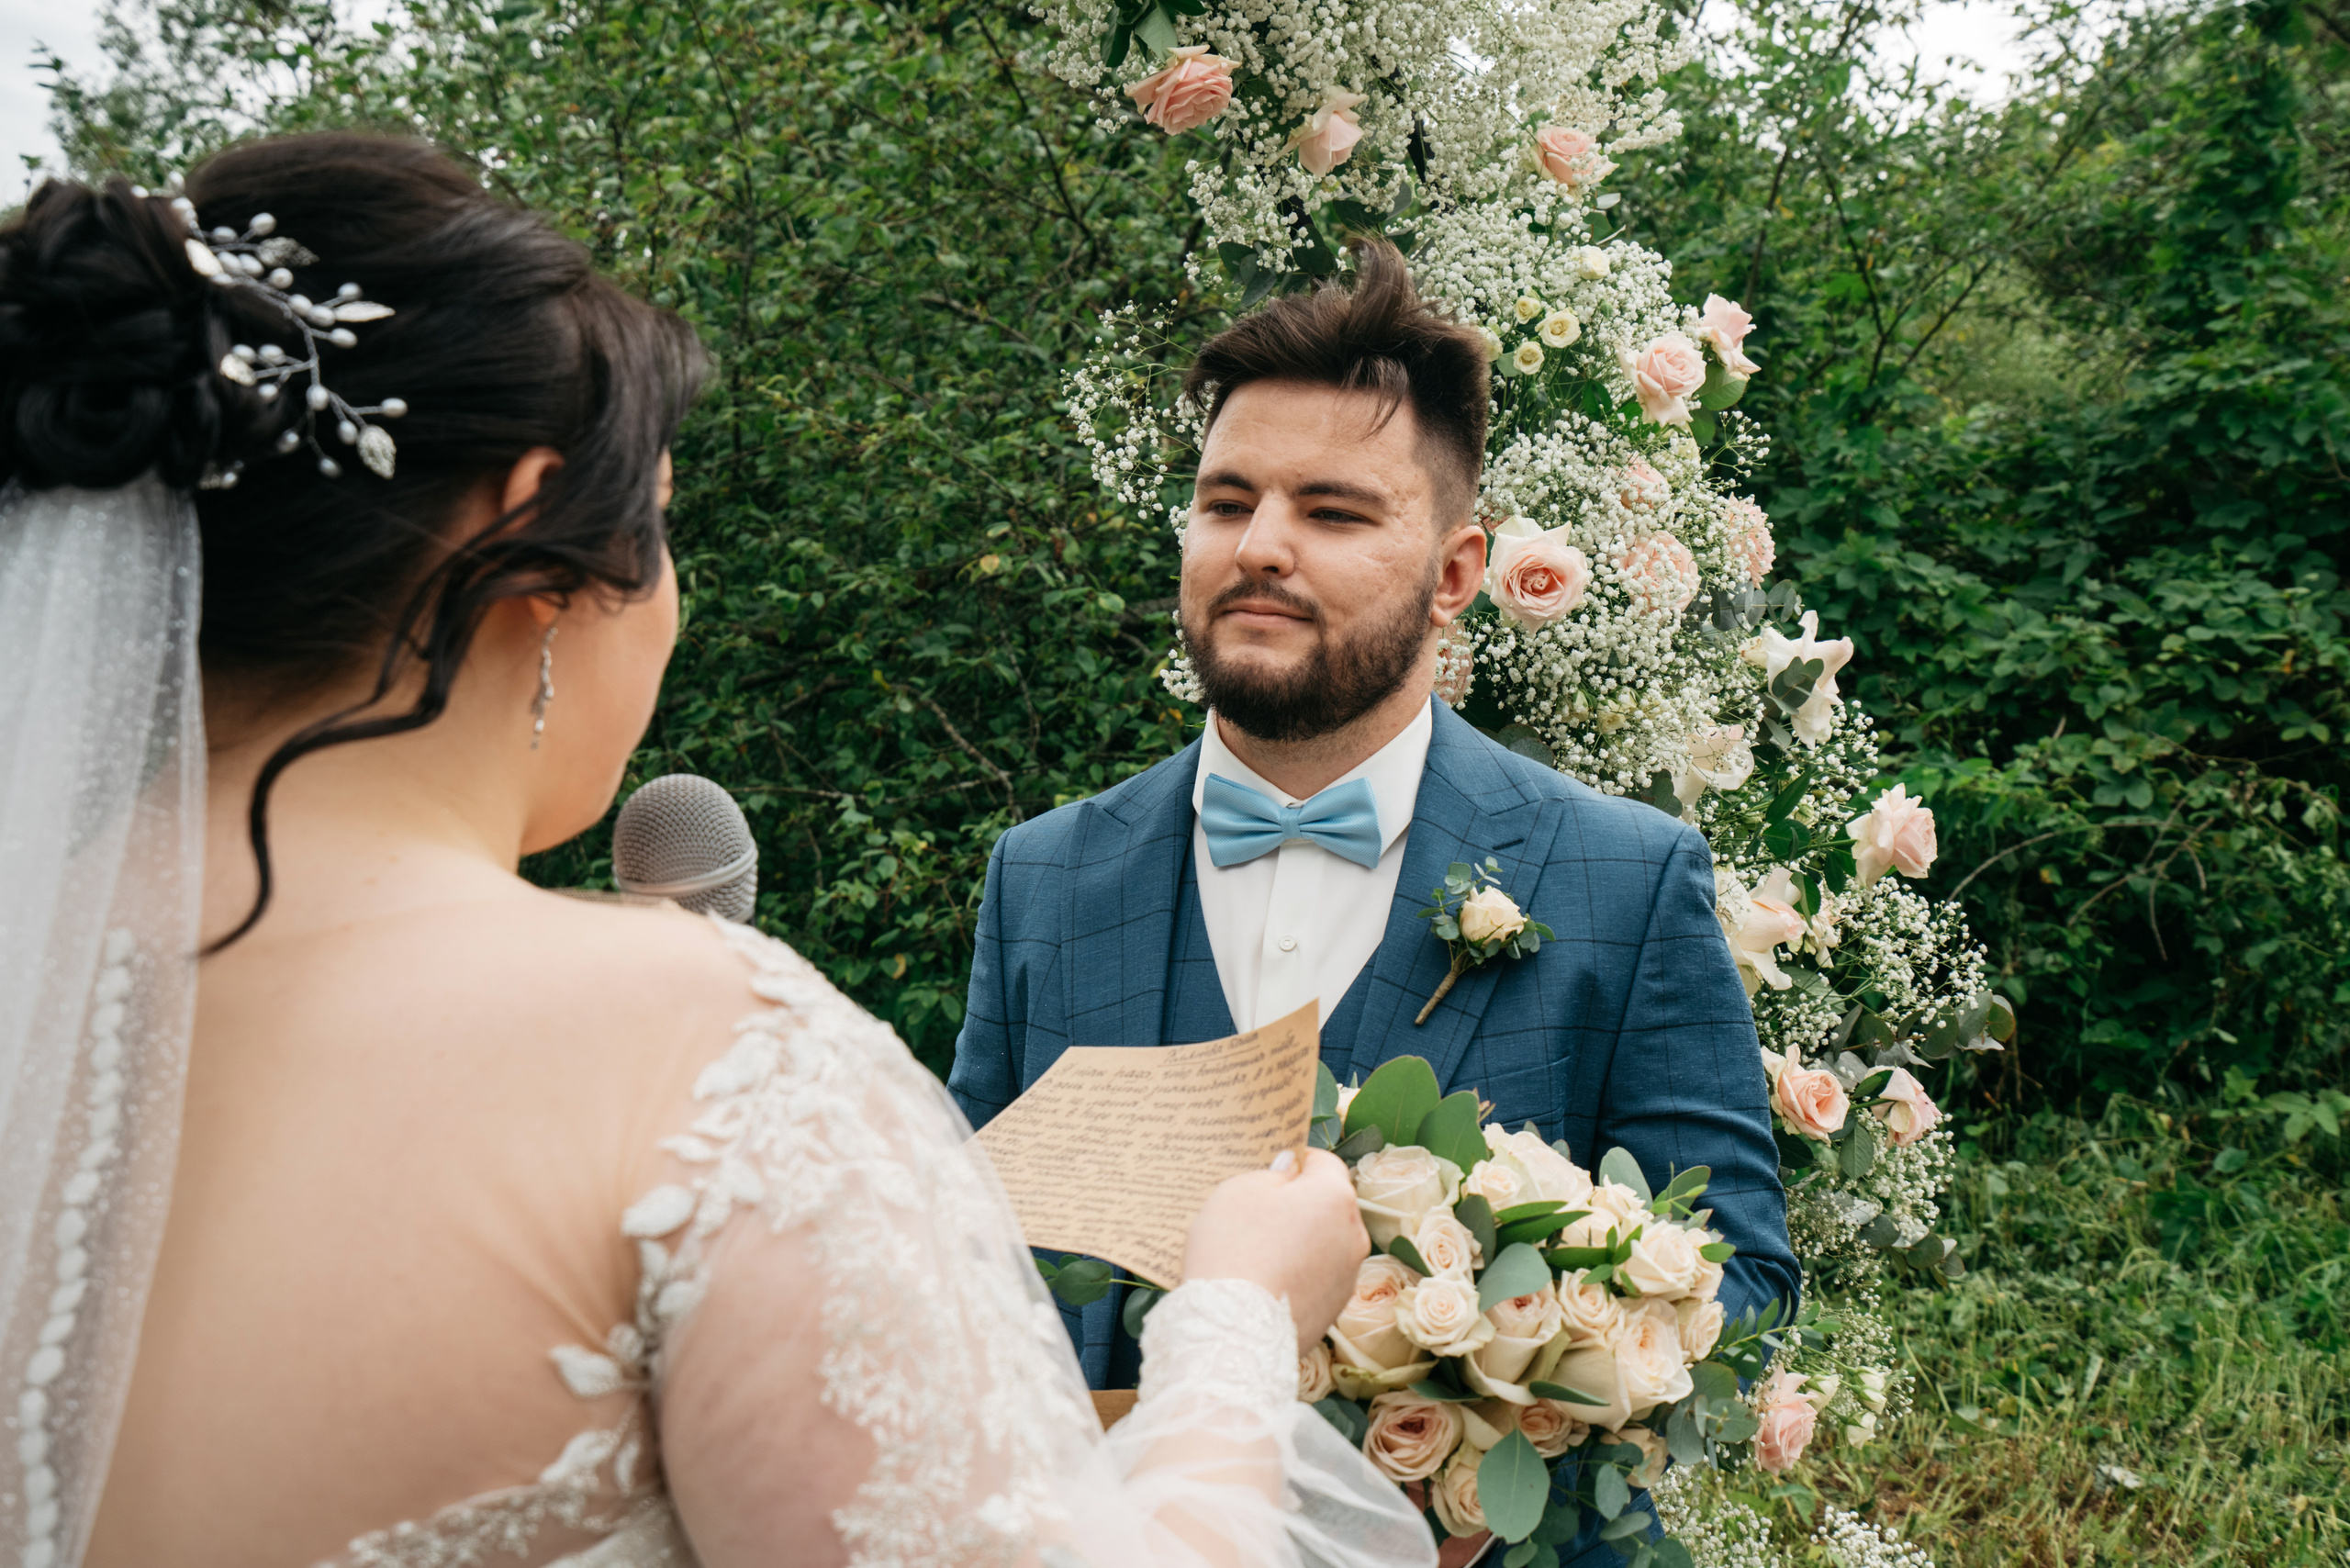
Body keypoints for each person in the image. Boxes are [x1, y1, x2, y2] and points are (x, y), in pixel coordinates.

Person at [0, 134, 1434, 1568]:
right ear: (534, 551)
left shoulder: (32, 994)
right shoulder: (708, 1060)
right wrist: (1238, 1315)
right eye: (662, 530)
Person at [946, 242, 1802, 1514]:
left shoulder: (1625, 876)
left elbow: (1738, 1279)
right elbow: (963, 1265)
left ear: (1458, 573)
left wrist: (1482, 1421)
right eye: (1226, 503)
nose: (1260, 548)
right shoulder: (1042, 877)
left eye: (1333, 512)